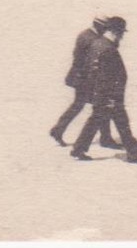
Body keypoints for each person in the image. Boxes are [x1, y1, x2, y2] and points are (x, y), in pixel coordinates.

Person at [70, 17, 137, 163]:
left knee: (95, 121)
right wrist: (111, 98)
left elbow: (91, 71)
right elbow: (106, 76)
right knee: (122, 124)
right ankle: (133, 154)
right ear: (115, 32)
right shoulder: (108, 49)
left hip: (102, 94)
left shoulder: (97, 44)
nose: (122, 36)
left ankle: (78, 149)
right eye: (121, 33)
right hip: (110, 95)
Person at [50, 17, 123, 149]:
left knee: (97, 106)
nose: (107, 31)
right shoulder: (89, 38)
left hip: (86, 77)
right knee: (95, 106)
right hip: (84, 79)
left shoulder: (91, 35)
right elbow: (84, 60)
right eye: (105, 27)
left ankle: (105, 137)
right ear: (98, 25)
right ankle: (58, 130)